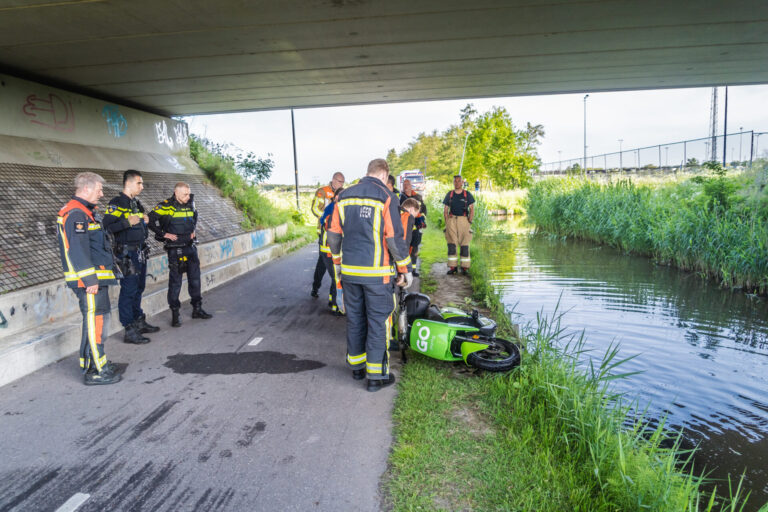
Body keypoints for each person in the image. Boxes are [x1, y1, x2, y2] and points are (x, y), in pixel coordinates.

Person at [327, 159, 413, 392]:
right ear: (384, 174)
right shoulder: (386, 197)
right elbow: (393, 238)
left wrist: (338, 264)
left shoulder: (344, 196)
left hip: (350, 273)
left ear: (368, 172)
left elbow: (333, 235)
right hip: (378, 275)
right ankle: (376, 377)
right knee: (377, 322)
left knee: (355, 319)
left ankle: (357, 368)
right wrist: (405, 270)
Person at [56, 172, 121, 385]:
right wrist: (89, 280)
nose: (102, 194)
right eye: (99, 189)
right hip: (89, 282)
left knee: (95, 321)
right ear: (86, 189)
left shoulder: (86, 212)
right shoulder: (75, 214)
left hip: (95, 279)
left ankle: (90, 363)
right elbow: (76, 249)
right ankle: (98, 370)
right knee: (96, 323)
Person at [103, 170, 159, 345]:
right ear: (128, 183)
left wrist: (145, 221)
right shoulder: (116, 203)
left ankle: (138, 320)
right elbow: (106, 226)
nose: (142, 187)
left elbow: (139, 222)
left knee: (139, 287)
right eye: (139, 183)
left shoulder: (136, 203)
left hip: (140, 252)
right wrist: (128, 222)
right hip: (127, 254)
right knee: (128, 290)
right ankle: (129, 329)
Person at [148, 182, 213, 327]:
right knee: (175, 282)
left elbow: (194, 218)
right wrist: (164, 234)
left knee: (195, 280)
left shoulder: (191, 204)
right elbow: (150, 221)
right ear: (176, 193)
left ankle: (197, 309)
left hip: (190, 247)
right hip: (175, 249)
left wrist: (193, 231)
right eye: (185, 194)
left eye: (189, 194)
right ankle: (175, 314)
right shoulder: (165, 206)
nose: (188, 196)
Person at [310, 172, 345, 298]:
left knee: (333, 263)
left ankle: (333, 296)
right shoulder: (322, 192)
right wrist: (326, 217)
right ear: (334, 180)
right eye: (340, 182)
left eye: (343, 182)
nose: (342, 184)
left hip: (337, 233)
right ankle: (316, 287)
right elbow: (314, 208)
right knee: (323, 263)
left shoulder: (342, 193)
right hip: (323, 232)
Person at [443, 175, 475, 275]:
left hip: (463, 220)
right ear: (453, 183)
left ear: (462, 183)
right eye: (455, 181)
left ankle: (464, 268)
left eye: (458, 181)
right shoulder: (450, 194)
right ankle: (453, 267)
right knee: (452, 244)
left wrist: (470, 220)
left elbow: (472, 209)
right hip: (452, 220)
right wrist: (447, 222)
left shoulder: (467, 194)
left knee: (464, 244)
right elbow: (445, 210)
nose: (457, 183)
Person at [319, 187, 344, 315]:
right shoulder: (334, 209)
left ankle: (332, 301)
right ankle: (336, 307)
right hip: (329, 250)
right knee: (337, 279)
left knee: (335, 277)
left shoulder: (336, 208)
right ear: (335, 197)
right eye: (340, 196)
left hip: (330, 249)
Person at [399, 179, 427, 277]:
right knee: (405, 248)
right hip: (405, 228)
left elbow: (424, 210)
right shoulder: (400, 197)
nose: (406, 186)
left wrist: (421, 219)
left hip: (416, 229)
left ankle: (413, 269)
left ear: (411, 186)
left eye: (407, 184)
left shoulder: (418, 197)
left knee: (414, 249)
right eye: (404, 185)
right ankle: (404, 269)